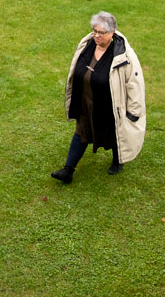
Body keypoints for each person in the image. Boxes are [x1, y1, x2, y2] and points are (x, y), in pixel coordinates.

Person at [51, 11, 145, 183]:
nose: (96, 35)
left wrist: (134, 111)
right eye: (94, 31)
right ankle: (68, 170)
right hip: (86, 101)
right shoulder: (87, 45)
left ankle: (118, 161)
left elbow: (135, 84)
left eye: (101, 33)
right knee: (82, 131)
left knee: (114, 132)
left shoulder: (124, 55)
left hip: (110, 104)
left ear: (112, 32)